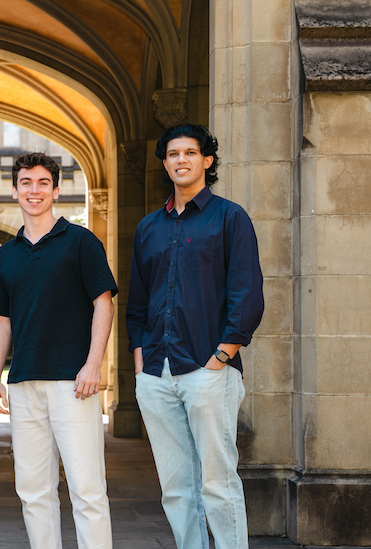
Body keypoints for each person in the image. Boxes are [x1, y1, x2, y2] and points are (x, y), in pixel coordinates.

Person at [126, 124, 265, 549]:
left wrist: (221, 357)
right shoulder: (148, 227)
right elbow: (138, 302)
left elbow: (248, 294)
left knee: (218, 484)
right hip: (156, 372)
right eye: (172, 154)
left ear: (207, 160)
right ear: (164, 163)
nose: (180, 160)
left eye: (190, 152)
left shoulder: (230, 217)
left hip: (209, 370)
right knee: (175, 487)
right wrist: (140, 364)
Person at [0, 152, 117, 549]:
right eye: (26, 183)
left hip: (73, 383)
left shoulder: (80, 241)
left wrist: (93, 364)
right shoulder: (7, 254)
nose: (34, 190)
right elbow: (0, 321)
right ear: (14, 191)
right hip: (24, 384)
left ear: (56, 190)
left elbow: (104, 303)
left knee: (87, 489)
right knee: (33, 490)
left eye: (43, 183)